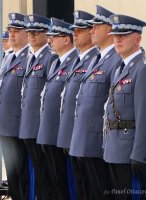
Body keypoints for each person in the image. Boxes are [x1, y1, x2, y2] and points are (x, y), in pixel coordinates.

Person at [104, 14, 146, 200]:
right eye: (115, 35)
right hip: (114, 149)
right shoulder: (120, 67)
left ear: (137, 39)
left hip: (130, 152)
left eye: (123, 35)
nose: (117, 39)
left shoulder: (144, 68)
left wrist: (140, 155)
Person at [69, 5, 121, 200]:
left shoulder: (115, 59)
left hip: (98, 138)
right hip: (85, 136)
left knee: (100, 189)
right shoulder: (97, 59)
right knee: (87, 189)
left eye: (96, 26)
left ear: (109, 30)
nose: (91, 30)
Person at [56, 10, 98, 200]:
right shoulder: (79, 59)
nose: (75, 33)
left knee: (90, 186)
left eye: (80, 30)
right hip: (74, 132)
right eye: (74, 30)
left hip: (89, 135)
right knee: (79, 184)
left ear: (91, 32)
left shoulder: (94, 58)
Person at [36, 17, 79, 200]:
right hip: (50, 130)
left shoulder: (74, 61)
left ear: (66, 39)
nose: (50, 39)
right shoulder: (56, 62)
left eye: (54, 36)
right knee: (53, 180)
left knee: (64, 181)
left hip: (61, 131)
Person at [0, 13, 30, 200]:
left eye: (16, 31)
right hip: (5, 124)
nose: (12, 35)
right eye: (10, 31)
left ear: (26, 33)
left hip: (18, 126)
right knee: (12, 174)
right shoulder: (9, 57)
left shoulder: (29, 58)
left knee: (22, 173)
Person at [19, 14, 57, 200]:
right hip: (28, 125)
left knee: (45, 173)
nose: (32, 35)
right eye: (29, 32)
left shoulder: (50, 58)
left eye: (36, 32)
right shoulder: (30, 58)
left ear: (46, 34)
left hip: (39, 126)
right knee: (37, 171)